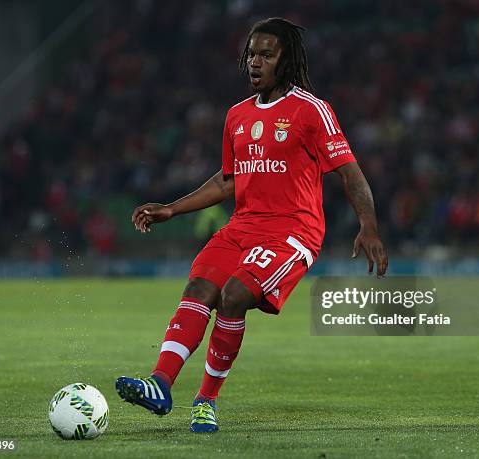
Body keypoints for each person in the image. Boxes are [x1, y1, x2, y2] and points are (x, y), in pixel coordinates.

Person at [116, 17, 388, 433]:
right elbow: (228, 179)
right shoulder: (237, 116)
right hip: (242, 227)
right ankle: (160, 384)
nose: (254, 63)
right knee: (199, 290)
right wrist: (172, 208)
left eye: (266, 54)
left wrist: (368, 226)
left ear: (286, 60)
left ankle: (205, 401)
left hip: (293, 232)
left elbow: (350, 174)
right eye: (250, 54)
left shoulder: (311, 110)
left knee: (233, 295)